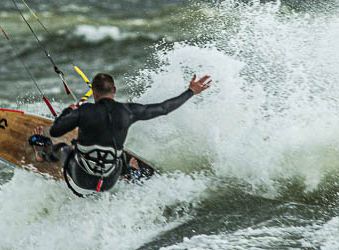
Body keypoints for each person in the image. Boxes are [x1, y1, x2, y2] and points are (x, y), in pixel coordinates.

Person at [29, 73, 211, 195]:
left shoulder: (83, 111)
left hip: (82, 178)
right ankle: (130, 172)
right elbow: (164, 108)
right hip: (109, 181)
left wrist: (69, 112)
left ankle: (41, 154)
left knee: (62, 148)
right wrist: (191, 91)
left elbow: (55, 130)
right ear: (114, 91)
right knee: (119, 153)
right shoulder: (128, 111)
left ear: (93, 93)